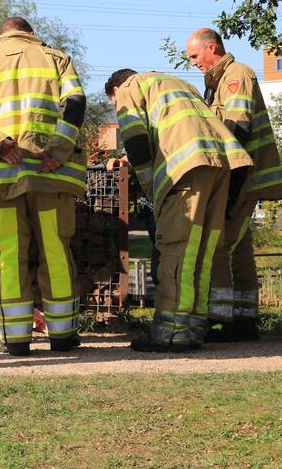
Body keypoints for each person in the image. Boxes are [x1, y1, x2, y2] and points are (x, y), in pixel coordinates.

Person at [105, 68, 252, 351]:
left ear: (116, 90)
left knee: (176, 250)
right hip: (221, 164)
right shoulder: (176, 84)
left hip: (185, 169)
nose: (117, 106)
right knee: (201, 253)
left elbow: (136, 141)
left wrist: (152, 189)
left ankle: (168, 333)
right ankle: (192, 329)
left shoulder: (128, 88)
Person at [0, 17, 87, 356]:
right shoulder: (57, 59)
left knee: (8, 254)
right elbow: (75, 104)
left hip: (0, 179)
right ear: (31, 33)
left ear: (0, 35)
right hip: (50, 175)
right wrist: (58, 152)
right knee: (55, 249)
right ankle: (62, 335)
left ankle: (15, 338)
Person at [186, 28, 282, 341]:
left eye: (195, 55)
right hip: (243, 175)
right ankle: (244, 320)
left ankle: (219, 321)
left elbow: (238, 127)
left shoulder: (236, 74)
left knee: (218, 244)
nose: (193, 63)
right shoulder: (217, 82)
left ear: (212, 48)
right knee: (239, 248)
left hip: (240, 175)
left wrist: (228, 181)